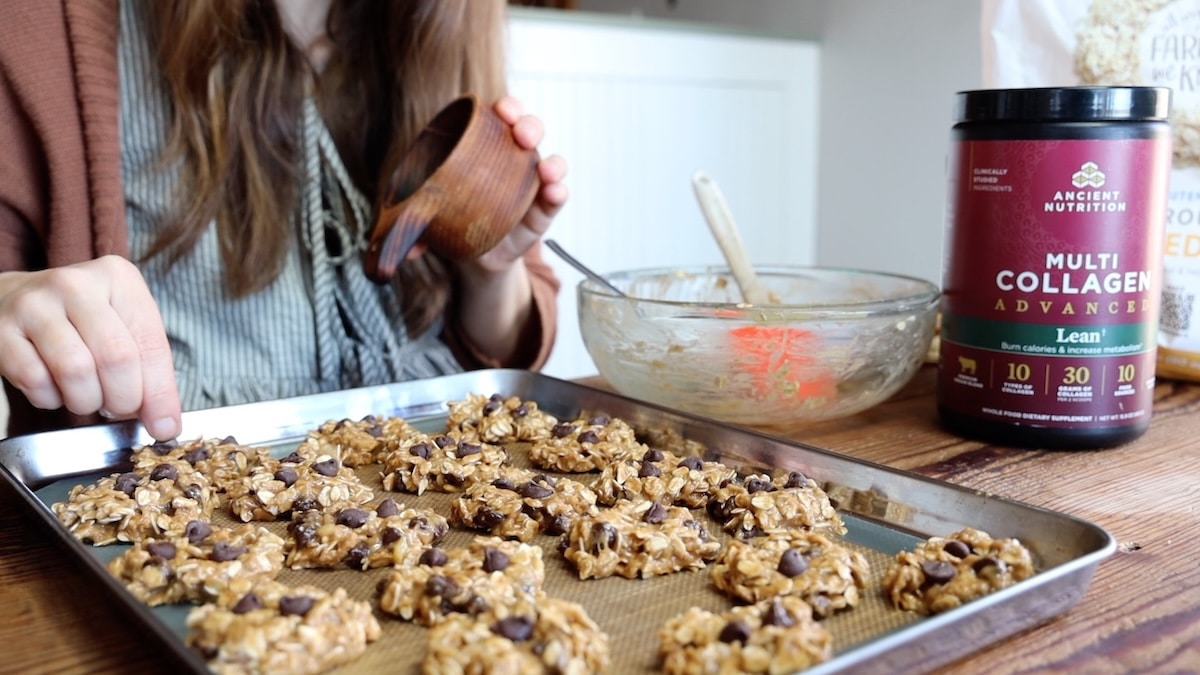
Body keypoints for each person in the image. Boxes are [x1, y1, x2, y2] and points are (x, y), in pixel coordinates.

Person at [0, 0, 567, 441]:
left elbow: (504, 354)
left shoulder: (437, 36)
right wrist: (14, 300)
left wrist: (493, 273)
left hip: (439, 496)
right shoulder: (44, 28)